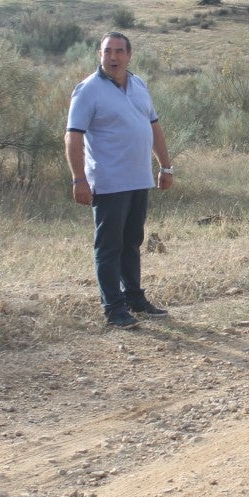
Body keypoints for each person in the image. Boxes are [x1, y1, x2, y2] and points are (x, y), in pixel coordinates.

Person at [65, 31, 174, 330]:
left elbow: (154, 126)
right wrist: (78, 180)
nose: (112, 57)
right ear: (99, 54)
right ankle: (113, 309)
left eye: (118, 51)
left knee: (132, 242)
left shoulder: (138, 84)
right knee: (109, 246)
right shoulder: (87, 90)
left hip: (139, 179)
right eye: (106, 51)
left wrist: (165, 167)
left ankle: (135, 299)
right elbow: (73, 136)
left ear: (129, 55)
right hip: (108, 181)